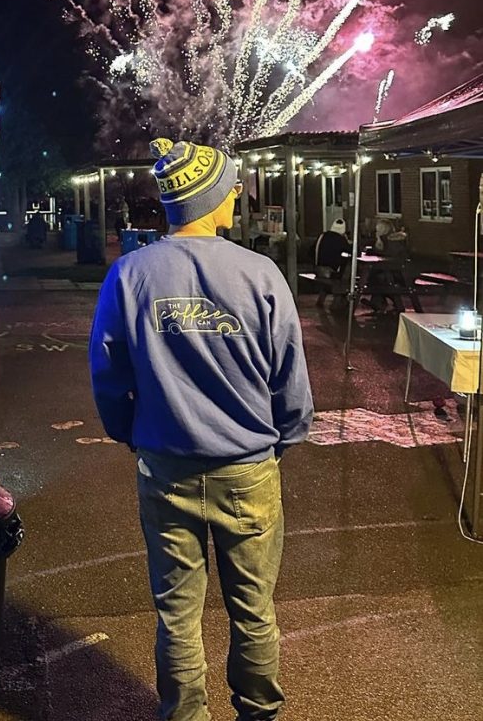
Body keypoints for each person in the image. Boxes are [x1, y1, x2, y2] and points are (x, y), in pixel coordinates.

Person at [89, 137, 314, 721]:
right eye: (230, 187)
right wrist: (280, 439)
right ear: (209, 199)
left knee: (177, 615)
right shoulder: (260, 274)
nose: (237, 195)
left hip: (166, 469)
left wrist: (131, 433)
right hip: (248, 471)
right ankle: (259, 714)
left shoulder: (130, 275)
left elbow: (108, 374)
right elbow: (291, 379)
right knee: (255, 610)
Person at [313, 217, 351, 310]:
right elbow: (352, 251)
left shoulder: (323, 236)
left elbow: (311, 251)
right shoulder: (340, 240)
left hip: (317, 269)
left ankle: (328, 300)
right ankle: (340, 302)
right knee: (346, 273)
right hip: (329, 272)